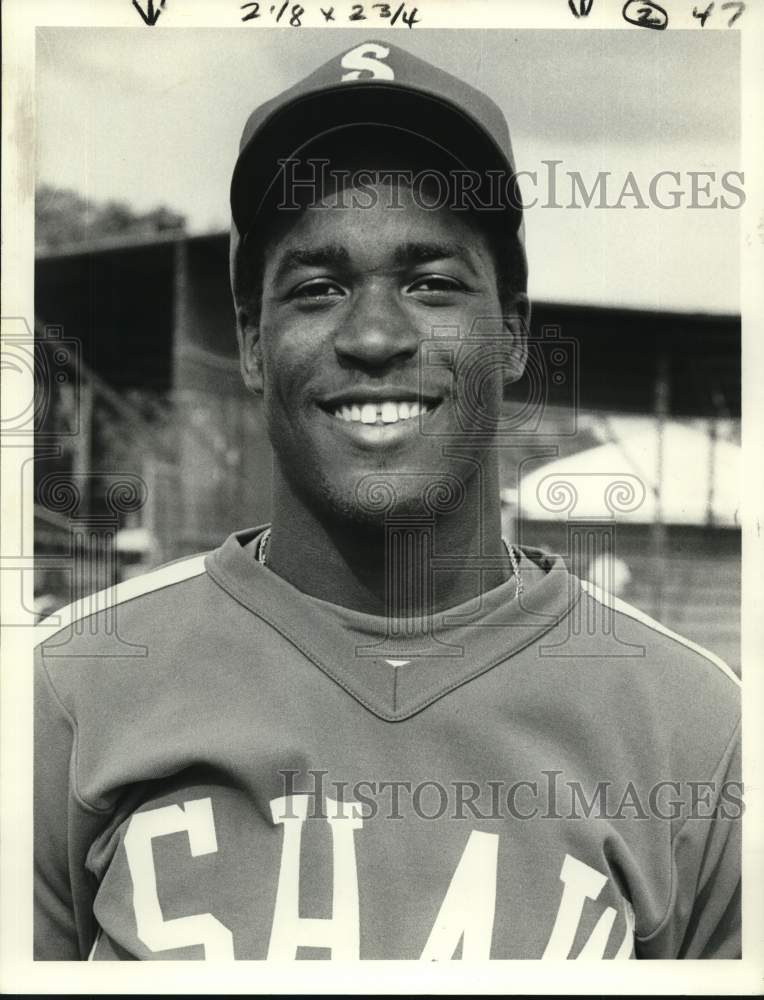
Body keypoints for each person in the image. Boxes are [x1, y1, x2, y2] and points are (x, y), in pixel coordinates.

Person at [34, 38, 741, 961]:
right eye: (319, 288)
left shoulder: (694, 728)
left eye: (433, 283)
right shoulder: (75, 692)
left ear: (514, 334)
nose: (374, 334)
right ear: (252, 342)